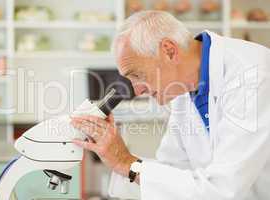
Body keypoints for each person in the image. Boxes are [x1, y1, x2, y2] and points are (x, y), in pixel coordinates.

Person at [71, 10, 270, 200]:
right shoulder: (184, 89)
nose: (138, 91)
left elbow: (222, 190)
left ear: (169, 51)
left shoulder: (252, 75)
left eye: (138, 75)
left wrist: (126, 162)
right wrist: (114, 158)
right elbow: (174, 172)